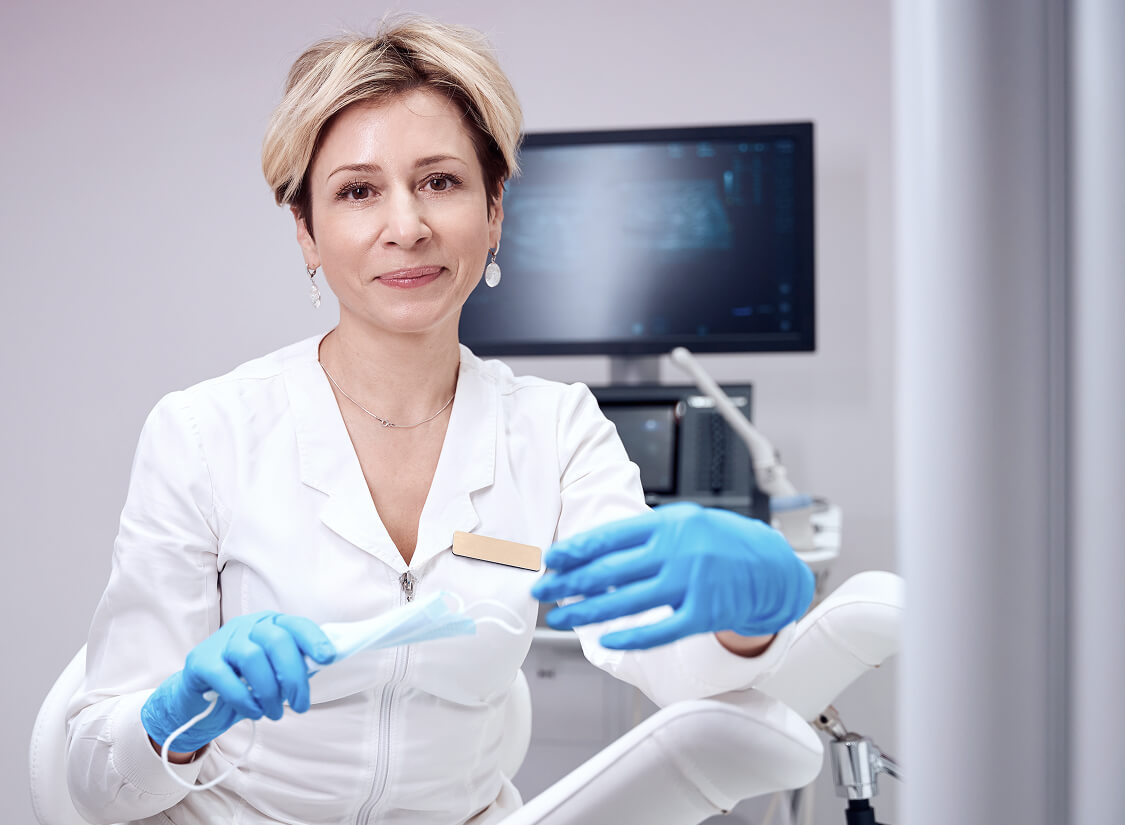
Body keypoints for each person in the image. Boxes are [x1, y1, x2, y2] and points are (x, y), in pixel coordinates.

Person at [65, 17, 813, 825]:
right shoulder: (204, 433)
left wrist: (746, 622)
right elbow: (96, 781)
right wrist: (172, 717)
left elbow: (671, 665)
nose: (407, 226)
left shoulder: (558, 431)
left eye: (440, 182)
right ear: (307, 231)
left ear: (494, 213)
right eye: (358, 191)